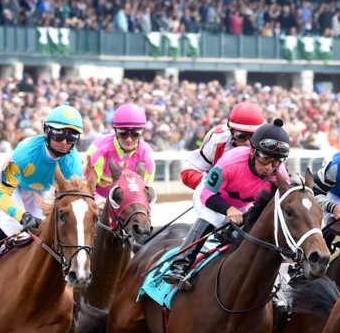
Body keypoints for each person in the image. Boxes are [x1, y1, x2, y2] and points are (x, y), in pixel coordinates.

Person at [0, 104, 85, 289]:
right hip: (13, 185)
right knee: (12, 225)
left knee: (45, 228)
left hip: (41, 188)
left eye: (71, 136)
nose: (64, 141)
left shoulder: (74, 165)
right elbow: (0, 195)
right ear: (46, 132)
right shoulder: (24, 156)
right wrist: (23, 216)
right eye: (59, 134)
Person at [163, 117, 291, 290]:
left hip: (243, 205)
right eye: (265, 158)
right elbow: (207, 195)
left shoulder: (280, 174)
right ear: (253, 151)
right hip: (211, 196)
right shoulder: (231, 162)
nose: (269, 167)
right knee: (213, 217)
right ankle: (180, 265)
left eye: (276, 161)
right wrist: (228, 209)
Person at [179, 100, 265, 190]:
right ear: (230, 130)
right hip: (216, 194)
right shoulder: (217, 139)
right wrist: (209, 184)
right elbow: (187, 172)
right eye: (240, 135)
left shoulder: (268, 142)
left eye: (253, 136)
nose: (247, 142)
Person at [84, 103, 156, 198]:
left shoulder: (147, 155)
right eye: (123, 133)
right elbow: (86, 184)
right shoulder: (98, 149)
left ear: (142, 133)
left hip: (129, 200)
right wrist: (97, 199)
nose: (129, 139)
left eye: (135, 133)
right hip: (98, 197)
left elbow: (145, 192)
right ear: (115, 131)